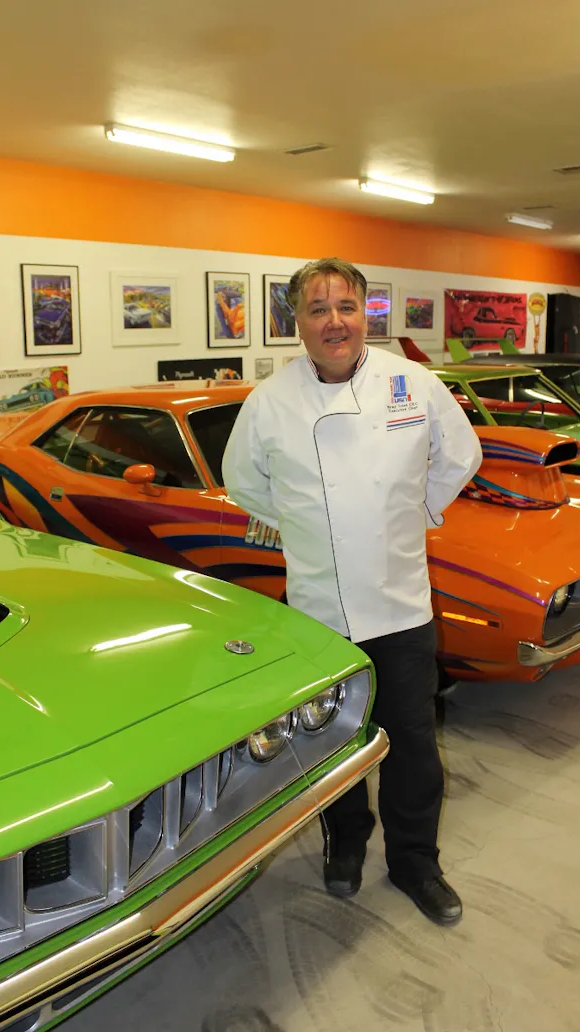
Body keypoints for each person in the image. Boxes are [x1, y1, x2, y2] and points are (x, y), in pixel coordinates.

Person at [222, 258, 482, 925]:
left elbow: (461, 456)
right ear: (297, 322)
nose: (334, 321)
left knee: (414, 747)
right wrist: (302, 526)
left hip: (400, 605)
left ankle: (415, 863)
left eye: (346, 307)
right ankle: (346, 845)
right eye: (317, 308)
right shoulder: (270, 402)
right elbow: (244, 482)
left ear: (365, 314)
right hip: (317, 612)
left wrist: (414, 510)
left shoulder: (412, 383)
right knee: (330, 745)